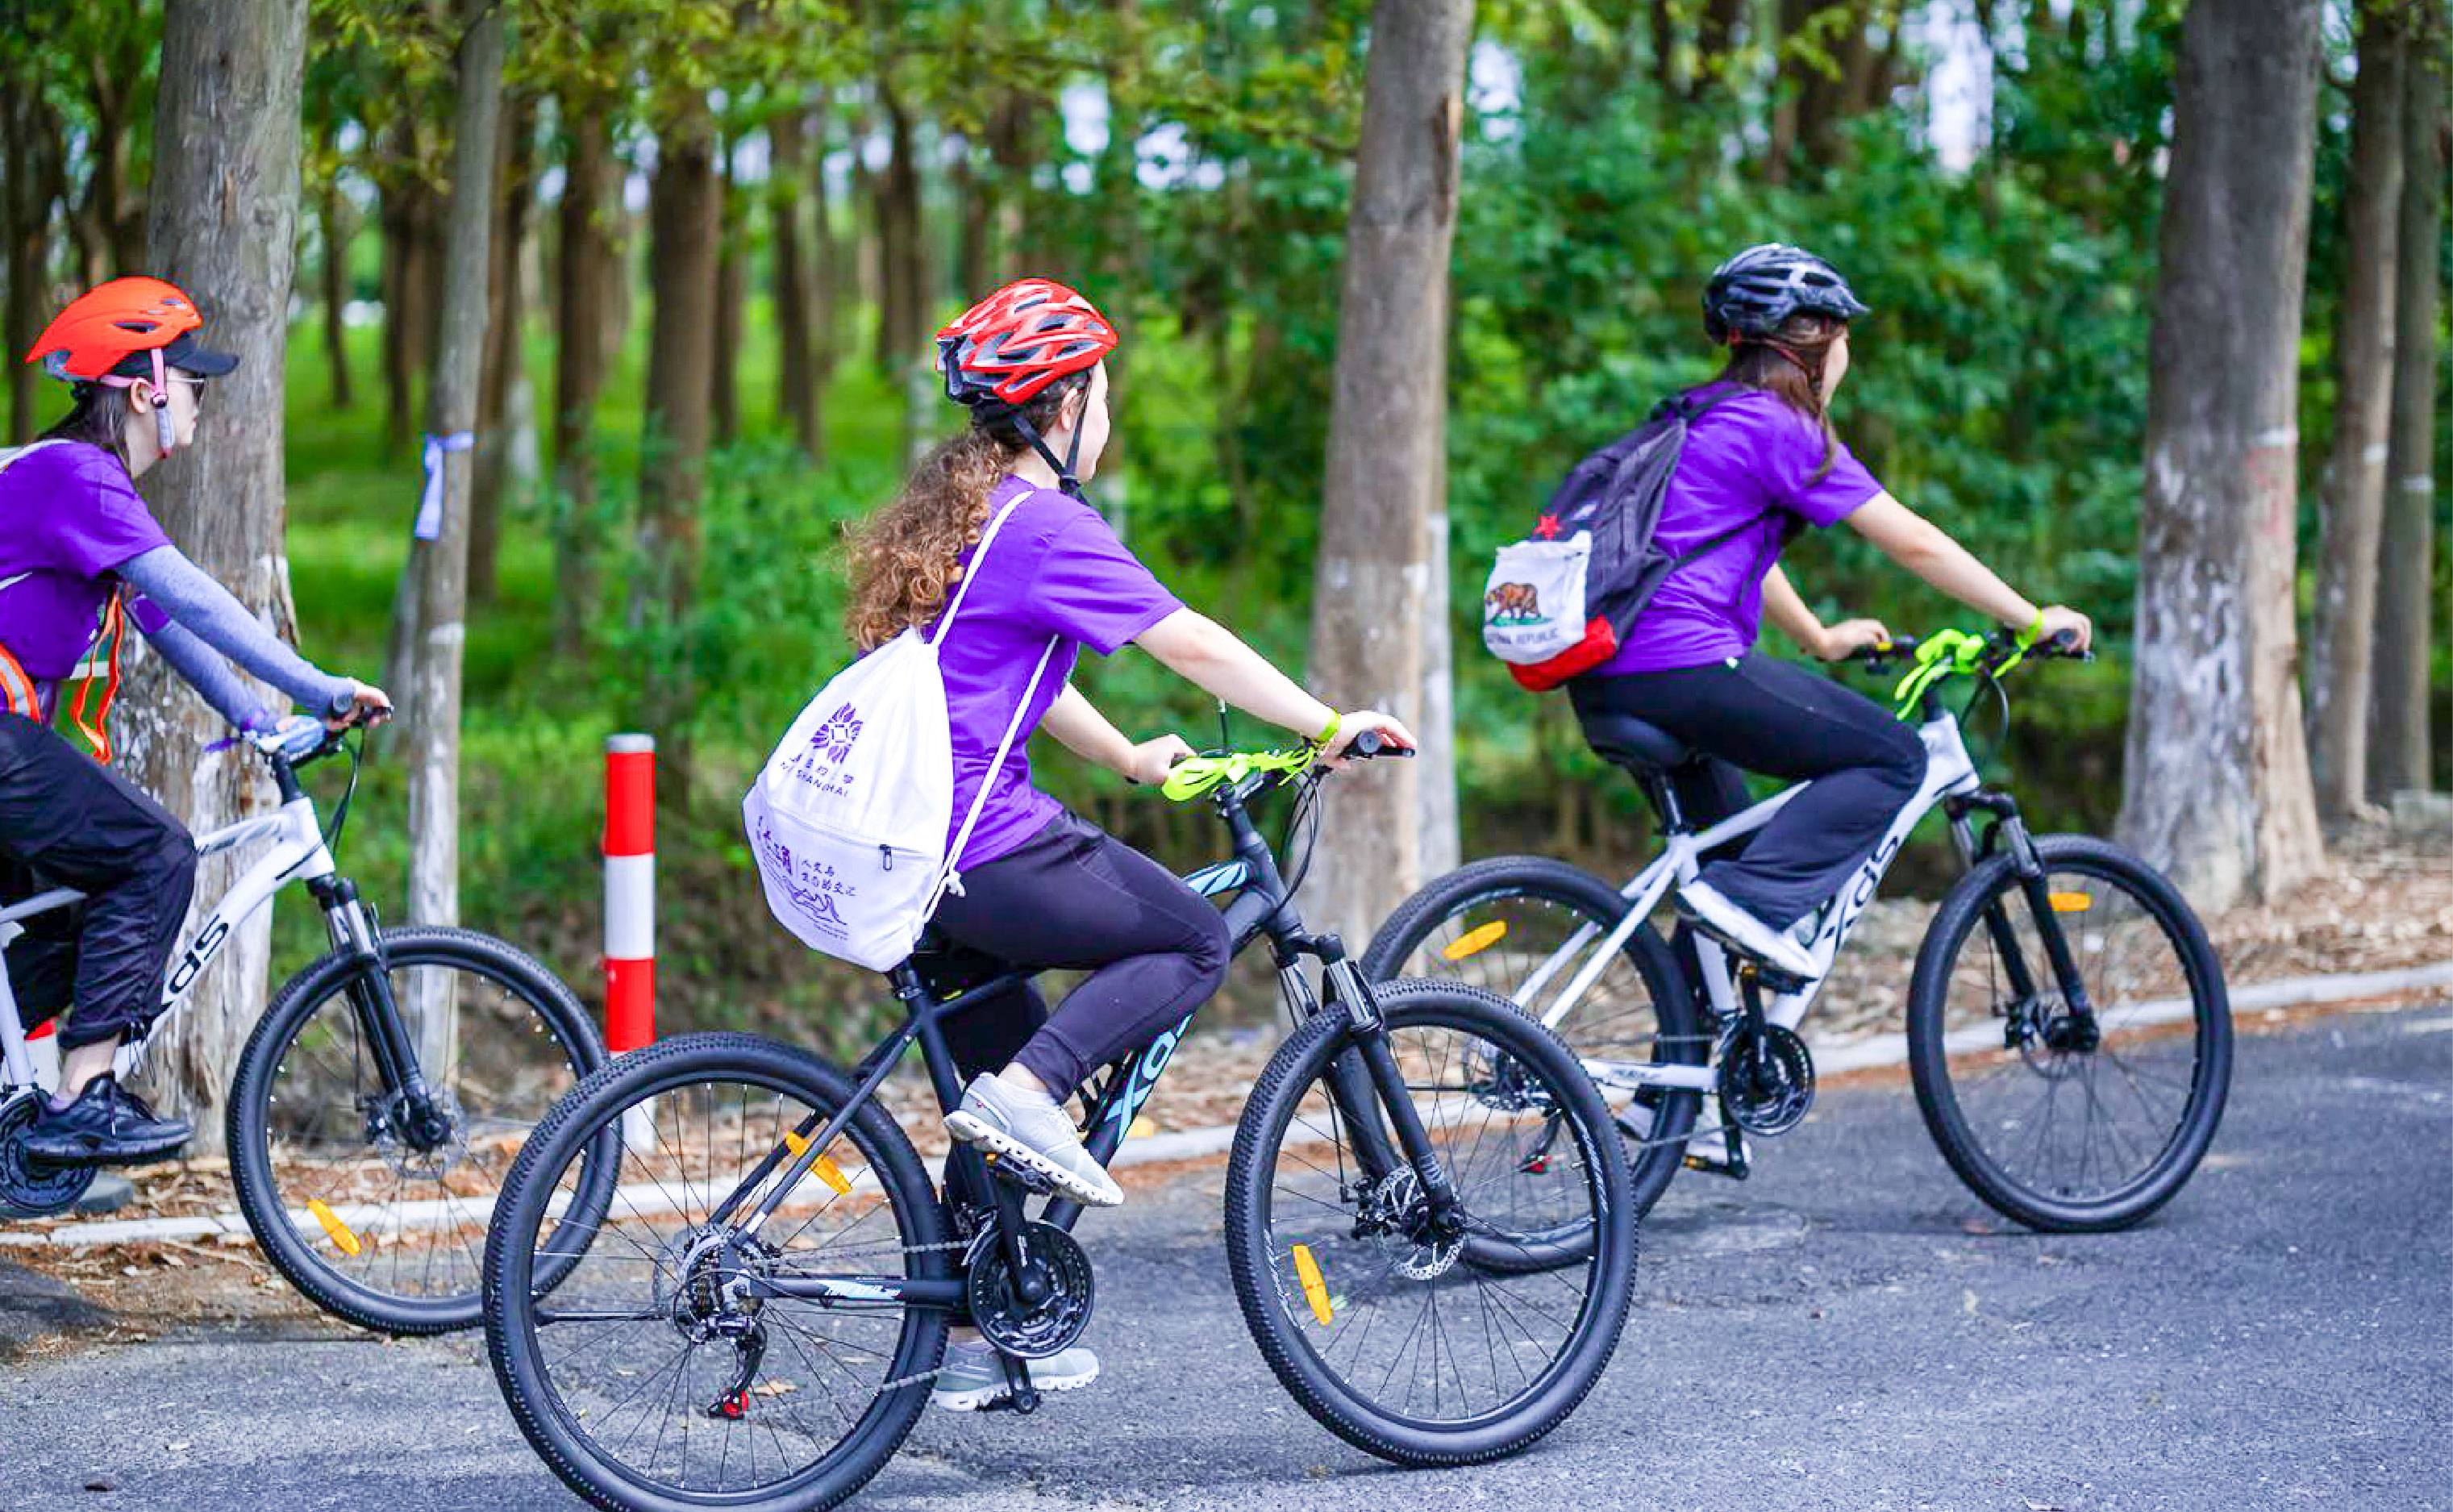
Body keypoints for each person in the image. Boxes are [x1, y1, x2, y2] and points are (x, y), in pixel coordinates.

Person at [843, 277, 1413, 1409]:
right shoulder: (1047, 522)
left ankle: (974, 1330)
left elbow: (1005, 672)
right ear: (1064, 405)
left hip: (903, 843)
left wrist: (1129, 759)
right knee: (1193, 938)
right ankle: (1034, 1095)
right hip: (975, 833)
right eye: (1102, 390)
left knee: (996, 1065)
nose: (1108, 412)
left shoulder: (972, 516)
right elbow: (1187, 642)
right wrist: (1326, 721)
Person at [1566, 244, 2092, 981]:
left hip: (1610, 671)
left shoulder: (1700, 415)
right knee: (1894, 758)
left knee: (1728, 865)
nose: (1847, 357)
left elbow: (1716, 546)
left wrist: (1816, 635)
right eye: (1845, 339)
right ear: (1814, 341)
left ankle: (1671, 1089)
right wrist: (2033, 618)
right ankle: (1745, 903)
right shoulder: (1778, 424)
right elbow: (1911, 542)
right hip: (1681, 663)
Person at [0, 276, 391, 1165]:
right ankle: (78, 1098)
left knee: (80, 906)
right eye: (195, 387)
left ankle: (37, 1100)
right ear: (145, 387)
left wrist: (262, 722)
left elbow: (164, 626)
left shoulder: (76, 482)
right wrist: (322, 685)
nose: (201, 407)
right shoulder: (79, 477)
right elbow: (198, 601)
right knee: (153, 855)